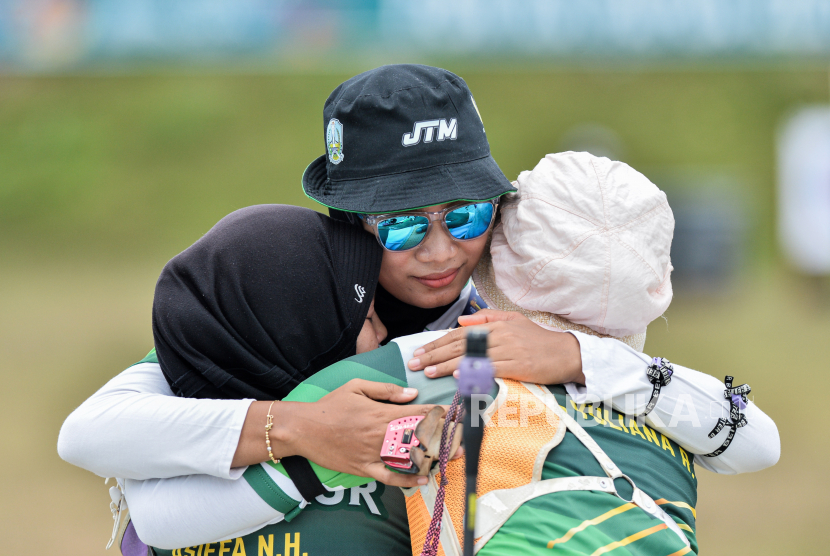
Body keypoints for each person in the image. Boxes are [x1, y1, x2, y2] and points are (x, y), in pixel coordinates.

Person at [58, 66, 776, 551]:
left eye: (465, 216)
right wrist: (309, 431)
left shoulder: (495, 329)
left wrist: (584, 357)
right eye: (401, 225)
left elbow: (750, 440)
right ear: (346, 221)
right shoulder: (284, 297)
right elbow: (95, 432)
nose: (440, 251)